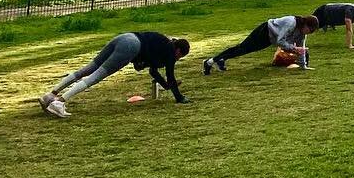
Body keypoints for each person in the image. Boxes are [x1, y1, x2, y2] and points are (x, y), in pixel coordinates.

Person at [39, 32, 190, 118]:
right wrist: (179, 97)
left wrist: (165, 86)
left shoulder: (163, 43)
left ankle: (50, 95)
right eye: (180, 56)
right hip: (132, 46)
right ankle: (59, 102)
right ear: (178, 51)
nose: (177, 59)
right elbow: (170, 75)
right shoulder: (170, 53)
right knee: (96, 76)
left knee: (88, 68)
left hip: (125, 37)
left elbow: (152, 71)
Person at [202, 15, 318, 74]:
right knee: (241, 49)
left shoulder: (302, 34)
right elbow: (280, 41)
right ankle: (209, 62)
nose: (309, 32)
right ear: (305, 24)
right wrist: (293, 48)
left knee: (243, 50)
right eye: (310, 29)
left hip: (268, 39)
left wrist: (304, 66)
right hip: (264, 31)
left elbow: (301, 48)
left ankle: (221, 60)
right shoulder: (291, 22)